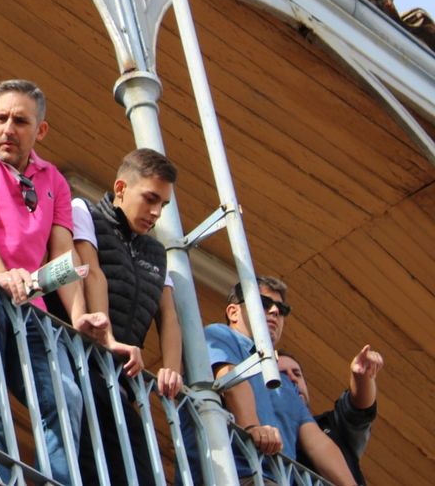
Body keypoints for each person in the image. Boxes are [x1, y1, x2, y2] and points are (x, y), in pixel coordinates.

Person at [0, 79, 107, 486]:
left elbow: (63, 257)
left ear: (40, 130)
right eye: (1, 118)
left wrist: (79, 317)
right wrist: (1, 275)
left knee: (65, 397)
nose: (8, 129)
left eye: (21, 121)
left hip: (31, 306)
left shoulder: (54, 180)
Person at [63, 147, 185, 485]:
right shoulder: (84, 211)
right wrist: (108, 339)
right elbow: (92, 273)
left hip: (121, 382)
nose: (156, 212)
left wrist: (171, 370)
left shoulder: (157, 252)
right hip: (81, 362)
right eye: (150, 199)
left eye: (163, 205)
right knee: (90, 466)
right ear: (120, 188)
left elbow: (169, 316)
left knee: (139, 471)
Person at [204, 277, 354, 485]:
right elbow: (232, 381)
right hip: (232, 474)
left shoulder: (284, 384)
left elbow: (317, 442)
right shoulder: (220, 335)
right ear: (233, 312)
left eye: (281, 309)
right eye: (264, 303)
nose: (275, 311)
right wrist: (251, 427)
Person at [277, 346, 383, 484]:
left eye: (297, 374)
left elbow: (359, 411)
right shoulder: (264, 429)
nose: (292, 379)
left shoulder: (330, 424)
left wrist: (361, 376)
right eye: (282, 375)